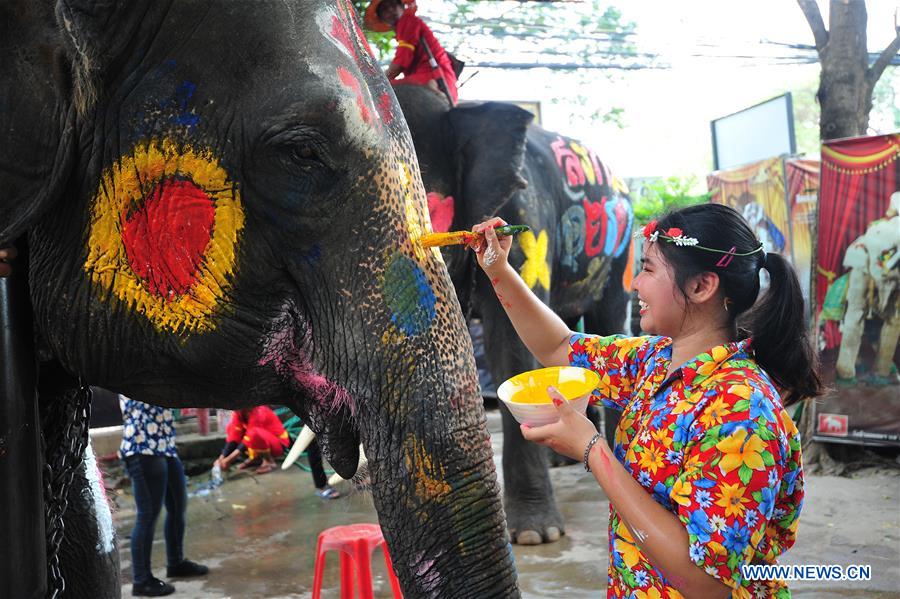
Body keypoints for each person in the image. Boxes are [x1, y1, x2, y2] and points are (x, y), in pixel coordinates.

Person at [471, 204, 821, 598]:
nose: (635, 283)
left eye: (649, 269)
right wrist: (497, 268)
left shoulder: (742, 411)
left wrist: (592, 450)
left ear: (701, 287)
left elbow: (706, 584)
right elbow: (558, 346)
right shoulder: (653, 360)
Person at [119, 395, 208, 597]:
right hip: (143, 444)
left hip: (165, 444)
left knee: (178, 506)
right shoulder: (131, 365)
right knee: (148, 515)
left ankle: (175, 563)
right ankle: (141, 580)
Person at [836, 191, 900, 385]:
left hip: (860, 267)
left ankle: (846, 371)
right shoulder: (894, 228)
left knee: (855, 316)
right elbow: (884, 265)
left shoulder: (882, 225)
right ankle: (880, 371)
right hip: (872, 271)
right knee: (894, 318)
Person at [364, 0, 458, 105]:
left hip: (434, 77)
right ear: (381, 18)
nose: (390, 9)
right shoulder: (405, 26)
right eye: (384, 9)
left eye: (393, 4)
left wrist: (380, 81)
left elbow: (400, 63)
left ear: (402, 7)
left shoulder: (406, 20)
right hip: (446, 83)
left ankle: (431, 87)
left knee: (381, 89)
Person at [214, 405, 291, 475]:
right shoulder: (238, 413)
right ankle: (255, 459)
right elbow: (234, 436)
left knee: (254, 433)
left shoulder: (259, 411)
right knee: (231, 428)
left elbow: (248, 439)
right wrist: (222, 457)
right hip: (264, 440)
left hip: (279, 444)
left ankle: (269, 462)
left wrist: (228, 460)